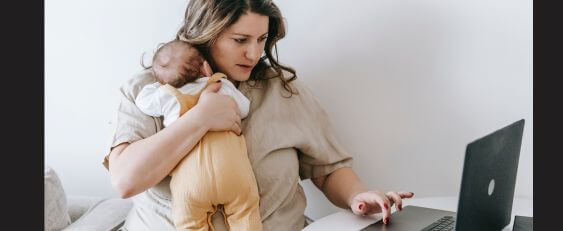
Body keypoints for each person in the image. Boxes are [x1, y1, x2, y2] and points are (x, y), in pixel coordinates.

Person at [103, 0, 414, 230]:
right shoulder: (150, 91)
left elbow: (328, 168)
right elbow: (126, 180)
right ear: (204, 35)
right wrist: (199, 120)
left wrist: (359, 196)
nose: (254, 54)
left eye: (261, 40)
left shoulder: (281, 90)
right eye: (240, 40)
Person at [134, 39, 261, 231]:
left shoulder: (168, 95)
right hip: (233, 173)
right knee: (246, 213)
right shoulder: (221, 85)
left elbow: (143, 101)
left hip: (191, 182)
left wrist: (159, 84)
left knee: (189, 222)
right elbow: (244, 108)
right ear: (206, 67)